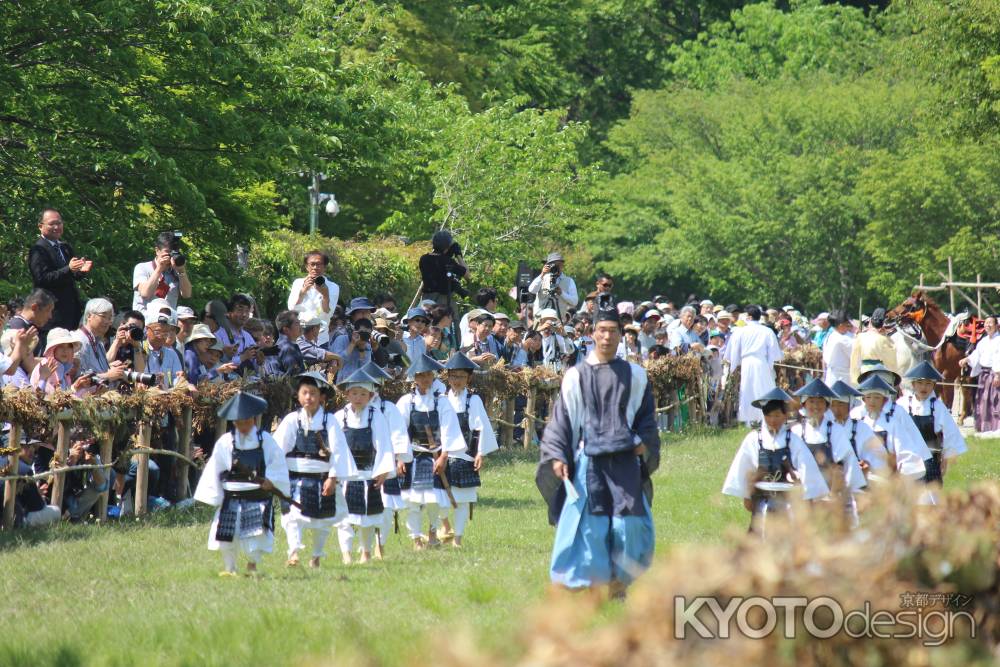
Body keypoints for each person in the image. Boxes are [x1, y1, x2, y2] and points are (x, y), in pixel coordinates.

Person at [537, 305, 660, 597]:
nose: (607, 337)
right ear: (592, 334)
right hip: (589, 462)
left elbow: (646, 419)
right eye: (602, 330)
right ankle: (590, 584)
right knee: (590, 526)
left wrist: (645, 441)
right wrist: (557, 456)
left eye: (613, 331)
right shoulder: (575, 376)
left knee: (628, 525)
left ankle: (620, 581)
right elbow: (562, 420)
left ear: (621, 335)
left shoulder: (636, 375)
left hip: (626, 461)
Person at [193, 392, 290, 576]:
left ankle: (252, 565)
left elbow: (276, 463)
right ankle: (230, 568)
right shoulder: (225, 442)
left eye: (246, 421)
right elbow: (216, 468)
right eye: (239, 422)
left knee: (256, 535)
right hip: (232, 496)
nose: (243, 426)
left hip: (257, 497)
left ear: (253, 419)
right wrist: (215, 495)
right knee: (225, 535)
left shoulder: (266, 441)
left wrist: (271, 480)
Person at [272, 372, 356, 568]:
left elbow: (339, 451)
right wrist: (276, 475)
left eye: (313, 393)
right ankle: (293, 553)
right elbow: (277, 450)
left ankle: (316, 556)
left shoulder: (329, 421)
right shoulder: (292, 420)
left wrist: (333, 478)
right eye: (305, 393)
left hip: (322, 478)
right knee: (292, 517)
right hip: (295, 479)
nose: (308, 397)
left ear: (321, 397)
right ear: (298, 396)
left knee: (323, 521)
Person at [722, 388, 830, 534]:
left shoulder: (793, 440)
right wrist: (747, 493)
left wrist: (806, 495)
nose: (773, 420)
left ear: (785, 416)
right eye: (769, 415)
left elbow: (807, 471)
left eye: (777, 415)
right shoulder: (754, 439)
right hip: (761, 501)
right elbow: (743, 468)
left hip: (787, 503)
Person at [395, 354, 466, 550]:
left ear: (433, 377)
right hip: (414, 456)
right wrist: (400, 458)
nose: (425, 379)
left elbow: (449, 429)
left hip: (436, 457)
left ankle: (433, 533)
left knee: (435, 500)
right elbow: (400, 431)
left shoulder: (441, 402)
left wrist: (444, 456)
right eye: (421, 375)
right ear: (414, 378)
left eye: (428, 375)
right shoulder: (406, 402)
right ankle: (416, 539)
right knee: (414, 502)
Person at [334, 369, 396, 564]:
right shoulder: (338, 417)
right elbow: (334, 447)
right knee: (345, 518)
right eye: (354, 393)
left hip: (368, 472)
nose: (358, 397)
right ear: (347, 394)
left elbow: (383, 443)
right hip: (346, 475)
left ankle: (366, 552)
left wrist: (383, 470)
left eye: (363, 394)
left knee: (368, 518)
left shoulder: (376, 415)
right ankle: (346, 554)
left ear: (370, 395)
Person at [790, 379, 867, 526]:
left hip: (831, 493)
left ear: (826, 406)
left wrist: (834, 495)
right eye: (811, 401)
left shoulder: (835, 431)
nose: (815, 406)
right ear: (804, 404)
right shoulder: (796, 431)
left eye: (820, 402)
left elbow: (845, 465)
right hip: (803, 495)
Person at [440, 353, 498, 547]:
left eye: (461, 377)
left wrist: (480, 453)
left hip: (466, 455)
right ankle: (443, 527)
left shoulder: (473, 400)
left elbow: (481, 427)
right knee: (438, 498)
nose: (457, 381)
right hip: (443, 456)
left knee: (463, 500)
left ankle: (458, 539)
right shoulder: (440, 399)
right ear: (448, 377)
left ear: (469, 378)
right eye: (453, 376)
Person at [897, 361, 967, 486]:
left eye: (928, 384)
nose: (924, 387)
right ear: (913, 384)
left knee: (930, 499)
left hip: (931, 461)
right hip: (908, 460)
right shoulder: (902, 405)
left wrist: (946, 458)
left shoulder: (938, 407)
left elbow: (951, 434)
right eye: (920, 383)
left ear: (933, 385)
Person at [850, 374, 930, 481]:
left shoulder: (892, 424)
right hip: (860, 479)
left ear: (884, 400)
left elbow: (906, 454)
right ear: (864, 399)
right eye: (868, 397)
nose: (872, 401)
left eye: (877, 397)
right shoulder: (858, 422)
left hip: (886, 481)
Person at [28, 208, 90, 335]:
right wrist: (69, 269)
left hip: (71, 310)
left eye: (59, 223)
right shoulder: (38, 249)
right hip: (52, 313)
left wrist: (81, 271)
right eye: (52, 224)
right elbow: (41, 279)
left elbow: (71, 276)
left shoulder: (65, 247)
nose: (56, 227)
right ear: (41, 226)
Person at [723, 305, 783, 425]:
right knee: (762, 388)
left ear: (749, 317)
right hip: (762, 362)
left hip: (747, 362)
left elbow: (733, 351)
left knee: (748, 389)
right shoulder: (767, 331)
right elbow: (774, 352)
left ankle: (750, 420)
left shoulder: (740, 331)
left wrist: (735, 364)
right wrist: (769, 364)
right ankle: (760, 417)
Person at [827, 380, 888, 478]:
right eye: (832, 405)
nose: (836, 409)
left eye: (840, 404)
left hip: (858, 478)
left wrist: (867, 464)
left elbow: (879, 455)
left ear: (850, 405)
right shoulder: (826, 428)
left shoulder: (862, 428)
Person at [287, 251, 339, 346]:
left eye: (319, 264)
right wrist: (303, 292)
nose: (315, 267)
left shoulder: (332, 287)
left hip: (320, 339)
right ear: (307, 266)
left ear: (325, 267)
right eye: (312, 264)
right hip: (299, 337)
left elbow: (327, 314)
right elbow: (292, 309)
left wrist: (325, 295)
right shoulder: (298, 283)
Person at [132, 231, 192, 311]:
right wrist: (159, 269)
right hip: (145, 319)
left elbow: (187, 294)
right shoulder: (142, 267)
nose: (171, 255)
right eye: (167, 252)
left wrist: (181, 271)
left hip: (167, 321)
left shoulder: (177, 272)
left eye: (173, 252)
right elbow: (145, 294)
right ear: (157, 251)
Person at [1, 289, 54, 380]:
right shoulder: (18, 328)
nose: (50, 316)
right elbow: (28, 365)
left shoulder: (29, 327)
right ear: (34, 307)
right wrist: (46, 362)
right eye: (48, 310)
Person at [961, 315, 1000, 434]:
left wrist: (998, 374)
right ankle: (985, 427)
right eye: (986, 323)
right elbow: (977, 354)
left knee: (995, 400)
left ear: (996, 325)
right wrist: (967, 359)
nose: (987, 325)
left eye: (990, 323)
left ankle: (996, 427)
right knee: (983, 400)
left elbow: (998, 357)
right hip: (984, 374)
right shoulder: (983, 341)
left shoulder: (999, 340)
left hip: (995, 374)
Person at [30, 328, 97, 396]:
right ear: (52, 349)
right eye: (60, 346)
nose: (65, 350)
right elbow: (48, 399)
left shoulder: (64, 370)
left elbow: (63, 399)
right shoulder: (46, 366)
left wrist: (76, 388)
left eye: (69, 346)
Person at [75, 298, 128, 384]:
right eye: (103, 316)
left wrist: (111, 368)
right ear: (89, 316)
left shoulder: (99, 342)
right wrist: (107, 376)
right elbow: (78, 377)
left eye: (110, 318)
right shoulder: (79, 341)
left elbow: (96, 370)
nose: (108, 322)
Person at [418, 230, 469, 318]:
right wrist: (458, 255)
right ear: (447, 246)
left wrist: (446, 253)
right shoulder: (448, 261)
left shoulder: (424, 259)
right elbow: (467, 275)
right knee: (451, 323)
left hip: (427, 300)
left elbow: (437, 262)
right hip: (443, 301)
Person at [849, 308, 899, 384]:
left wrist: (855, 378)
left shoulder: (860, 337)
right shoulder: (884, 340)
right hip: (881, 373)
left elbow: (854, 359)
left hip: (864, 372)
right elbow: (891, 362)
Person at [214, 294, 258, 375]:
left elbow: (255, 365)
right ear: (228, 313)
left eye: (247, 311)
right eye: (240, 310)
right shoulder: (218, 335)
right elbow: (217, 367)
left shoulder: (247, 337)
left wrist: (260, 361)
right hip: (226, 385)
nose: (244, 314)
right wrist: (243, 357)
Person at [528, 252, 578, 318]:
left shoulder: (569, 281)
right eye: (553, 264)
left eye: (558, 265)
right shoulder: (542, 278)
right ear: (548, 265)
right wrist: (542, 274)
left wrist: (562, 293)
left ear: (562, 265)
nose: (555, 267)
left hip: (558, 322)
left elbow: (575, 302)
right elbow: (531, 290)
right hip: (540, 320)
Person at [822, 311, 854, 386]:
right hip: (841, 376)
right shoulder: (841, 339)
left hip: (834, 374)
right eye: (846, 324)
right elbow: (856, 352)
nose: (848, 326)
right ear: (840, 325)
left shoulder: (831, 335)